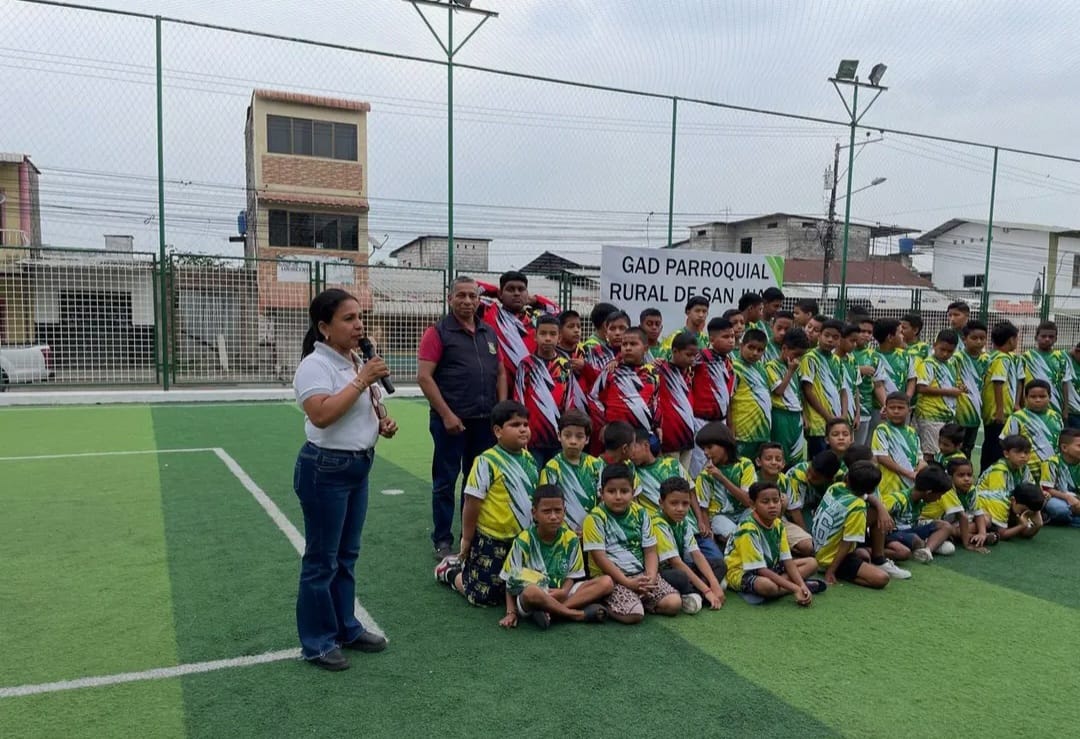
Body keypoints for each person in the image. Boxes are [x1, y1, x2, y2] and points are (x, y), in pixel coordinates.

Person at [292, 289, 398, 670]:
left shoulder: (355, 360)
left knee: (346, 556)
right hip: (325, 470)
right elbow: (321, 415)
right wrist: (361, 380)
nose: (359, 325)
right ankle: (318, 642)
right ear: (324, 327)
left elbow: (363, 405)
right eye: (349, 319)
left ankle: (346, 627)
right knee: (322, 560)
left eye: (360, 317)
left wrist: (381, 420)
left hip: (357, 467)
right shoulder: (314, 366)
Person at [418, 276, 507, 560]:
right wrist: (447, 414)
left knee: (477, 483)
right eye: (461, 296)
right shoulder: (437, 333)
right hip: (451, 422)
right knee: (445, 481)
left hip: (484, 422)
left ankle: (471, 537)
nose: (467, 301)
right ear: (450, 299)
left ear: (479, 300)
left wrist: (501, 409)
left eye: (472, 296)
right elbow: (424, 377)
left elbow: (500, 372)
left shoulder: (488, 332)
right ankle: (442, 540)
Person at [435, 400, 539, 607]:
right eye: (515, 425)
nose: (523, 429)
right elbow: (471, 503)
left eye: (525, 425)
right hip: (492, 539)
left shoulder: (530, 460)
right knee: (482, 597)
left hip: (522, 539)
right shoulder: (486, 461)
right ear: (498, 431)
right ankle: (451, 573)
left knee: (521, 585)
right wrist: (467, 538)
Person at [497, 485, 612, 629]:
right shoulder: (523, 541)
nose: (553, 517)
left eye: (558, 511)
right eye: (546, 511)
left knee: (606, 582)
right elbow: (509, 581)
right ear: (534, 513)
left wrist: (564, 591)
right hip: (534, 597)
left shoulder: (571, 539)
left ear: (564, 511)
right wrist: (511, 612)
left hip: (561, 593)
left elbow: (572, 576)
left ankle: (552, 613)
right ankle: (576, 614)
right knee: (532, 592)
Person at [583, 464, 682, 623]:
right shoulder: (594, 518)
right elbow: (600, 558)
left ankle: (640, 601)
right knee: (634, 615)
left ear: (633, 491)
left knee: (674, 604)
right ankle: (604, 603)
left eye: (624, 491)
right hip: (613, 579)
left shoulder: (641, 513)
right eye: (611, 491)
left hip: (640, 575)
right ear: (601, 492)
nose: (618, 497)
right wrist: (627, 582)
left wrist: (650, 578)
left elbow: (650, 551)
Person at [724, 481, 823, 605]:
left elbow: (787, 560)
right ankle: (786, 588)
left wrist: (801, 585)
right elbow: (760, 570)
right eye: (765, 502)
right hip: (742, 571)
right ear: (753, 504)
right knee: (767, 586)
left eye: (776, 501)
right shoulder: (748, 529)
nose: (772, 506)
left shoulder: (778, 524)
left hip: (770, 566)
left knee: (812, 563)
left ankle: (784, 588)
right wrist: (795, 588)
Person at [811, 461, 892, 589]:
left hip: (816, 548)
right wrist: (831, 571)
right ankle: (845, 570)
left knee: (864, 553)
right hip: (829, 559)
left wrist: (880, 508)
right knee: (882, 578)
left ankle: (874, 558)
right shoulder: (857, 507)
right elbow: (846, 542)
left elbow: (866, 497)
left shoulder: (836, 487)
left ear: (847, 477)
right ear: (872, 489)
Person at [654, 477, 726, 612]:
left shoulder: (684, 521)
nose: (680, 509)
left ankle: (694, 594)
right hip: (663, 572)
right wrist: (707, 590)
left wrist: (714, 584)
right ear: (661, 503)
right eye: (674, 503)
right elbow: (675, 562)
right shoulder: (658, 523)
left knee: (719, 564)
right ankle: (698, 593)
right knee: (679, 576)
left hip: (682, 566)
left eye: (685, 503)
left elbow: (696, 554)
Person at [514, 314, 577, 466]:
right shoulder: (526, 365)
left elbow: (570, 401)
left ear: (559, 337)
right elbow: (518, 400)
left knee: (556, 477)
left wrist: (567, 432)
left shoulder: (565, 366)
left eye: (552, 334)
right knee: (533, 476)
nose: (547, 338)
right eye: (543, 334)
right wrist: (522, 431)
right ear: (535, 336)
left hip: (558, 437)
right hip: (533, 438)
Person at [538, 409, 605, 535]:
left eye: (579, 436)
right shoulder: (552, 468)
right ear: (559, 436)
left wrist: (592, 528)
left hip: (593, 533)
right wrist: (565, 530)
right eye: (567, 435)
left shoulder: (596, 465)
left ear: (587, 439)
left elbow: (603, 500)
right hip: (562, 534)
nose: (573, 441)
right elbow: (547, 502)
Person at [591, 327, 659, 441]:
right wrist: (603, 424)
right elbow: (593, 397)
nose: (628, 348)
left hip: (643, 434)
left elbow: (657, 401)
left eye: (633, 344)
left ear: (645, 348)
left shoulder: (653, 373)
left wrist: (657, 425)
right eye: (624, 344)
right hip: (616, 434)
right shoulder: (611, 371)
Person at [689, 317, 736, 477]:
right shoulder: (701, 357)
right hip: (700, 421)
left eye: (732, 336)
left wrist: (730, 427)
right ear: (712, 339)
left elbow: (728, 399)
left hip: (721, 422)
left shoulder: (729, 363)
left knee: (718, 465)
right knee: (698, 465)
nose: (731, 340)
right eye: (725, 337)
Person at [971, 435, 1040, 545]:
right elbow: (998, 498)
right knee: (986, 522)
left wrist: (1037, 515)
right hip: (985, 505)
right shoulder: (999, 470)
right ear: (1006, 454)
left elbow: (1030, 490)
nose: (1023, 456)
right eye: (1018, 452)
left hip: (1008, 502)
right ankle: (959, 533)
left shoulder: (1023, 468)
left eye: (1026, 452)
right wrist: (1022, 525)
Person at [694, 421, 755, 541]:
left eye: (710, 447)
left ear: (724, 444)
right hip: (720, 516)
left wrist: (722, 478)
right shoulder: (705, 475)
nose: (705, 453)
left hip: (744, 512)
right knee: (738, 537)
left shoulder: (745, 465)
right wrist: (708, 533)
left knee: (756, 514)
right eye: (703, 449)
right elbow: (704, 509)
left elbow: (749, 501)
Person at [881, 467, 955, 563]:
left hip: (910, 530)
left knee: (946, 526)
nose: (939, 498)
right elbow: (877, 511)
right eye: (939, 495)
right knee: (914, 540)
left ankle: (927, 550)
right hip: (892, 534)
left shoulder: (921, 501)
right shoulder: (898, 499)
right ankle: (931, 544)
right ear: (929, 493)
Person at [913, 329, 963, 462]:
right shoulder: (928, 364)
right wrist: (949, 392)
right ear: (935, 345)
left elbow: (948, 384)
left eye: (950, 351)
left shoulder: (950, 364)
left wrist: (959, 388)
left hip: (945, 415)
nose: (945, 354)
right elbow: (921, 388)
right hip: (930, 415)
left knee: (941, 452)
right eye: (942, 349)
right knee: (930, 453)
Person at [800, 318, 847, 458]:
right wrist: (828, 417)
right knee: (819, 461)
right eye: (827, 335)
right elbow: (807, 390)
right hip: (818, 424)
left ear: (840, 340)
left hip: (836, 422)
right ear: (819, 335)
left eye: (835, 337)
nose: (830, 340)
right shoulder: (810, 358)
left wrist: (843, 416)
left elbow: (843, 390)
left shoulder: (837, 361)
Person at [920, 457, 985, 553]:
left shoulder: (971, 489)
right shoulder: (948, 489)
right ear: (950, 477)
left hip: (950, 521)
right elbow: (962, 516)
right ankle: (967, 538)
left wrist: (982, 533)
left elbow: (979, 513)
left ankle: (970, 537)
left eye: (969, 475)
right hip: (926, 521)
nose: (966, 479)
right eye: (961, 475)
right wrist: (967, 545)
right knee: (950, 537)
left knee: (986, 519)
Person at [981, 320, 1022, 471]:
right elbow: (998, 382)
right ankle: (989, 476)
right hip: (998, 413)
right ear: (1011, 339)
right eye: (1016, 338)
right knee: (995, 448)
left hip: (992, 410)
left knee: (991, 445)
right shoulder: (1002, 358)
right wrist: (999, 410)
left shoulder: (994, 356)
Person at [766, 327, 810, 466]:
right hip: (781, 414)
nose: (798, 359)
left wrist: (803, 414)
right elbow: (779, 390)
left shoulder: (796, 367)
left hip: (796, 414)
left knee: (797, 454)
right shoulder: (771, 366)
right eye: (796, 354)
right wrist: (790, 371)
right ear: (784, 348)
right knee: (782, 452)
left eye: (801, 356)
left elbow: (798, 392)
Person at [655, 330, 699, 468]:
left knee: (685, 476)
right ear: (675, 351)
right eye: (688, 355)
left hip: (688, 434)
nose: (692, 359)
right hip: (670, 436)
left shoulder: (689, 372)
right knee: (671, 474)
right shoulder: (662, 370)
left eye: (694, 355)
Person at [1001, 379, 1062, 476]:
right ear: (1025, 398)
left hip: (1051, 471)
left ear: (1049, 397)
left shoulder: (1056, 417)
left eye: (1042, 396)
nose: (1038, 400)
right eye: (1033, 397)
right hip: (1026, 471)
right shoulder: (1017, 418)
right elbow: (1006, 442)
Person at [873, 392, 927, 501]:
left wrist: (918, 470)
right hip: (889, 488)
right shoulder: (882, 430)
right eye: (892, 408)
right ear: (885, 409)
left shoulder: (912, 432)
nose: (896, 411)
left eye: (900, 408)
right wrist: (909, 474)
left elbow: (921, 459)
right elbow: (882, 458)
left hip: (910, 486)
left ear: (909, 410)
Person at [482, 270, 537, 375]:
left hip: (529, 381)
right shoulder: (490, 312)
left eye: (521, 289)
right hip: (500, 381)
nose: (516, 293)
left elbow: (556, 310)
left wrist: (534, 300)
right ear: (500, 294)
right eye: (510, 289)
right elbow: (471, 288)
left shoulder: (536, 319)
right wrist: (494, 292)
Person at [628, 428, 690, 517]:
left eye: (633, 448)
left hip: (685, 520)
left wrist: (700, 520)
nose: (630, 454)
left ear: (646, 445)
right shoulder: (631, 471)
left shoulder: (672, 464)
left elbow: (691, 491)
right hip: (655, 522)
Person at [730, 327, 771, 460]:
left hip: (763, 432)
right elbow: (728, 401)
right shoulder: (734, 367)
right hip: (743, 433)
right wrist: (731, 430)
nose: (755, 353)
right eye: (751, 347)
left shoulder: (762, 369)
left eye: (760, 350)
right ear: (742, 346)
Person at [1022, 320, 1073, 423]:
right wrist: (1018, 404)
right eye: (1043, 336)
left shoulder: (1061, 358)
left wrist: (1066, 409)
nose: (1047, 339)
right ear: (1036, 337)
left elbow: (1065, 384)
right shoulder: (1027, 357)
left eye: (1051, 337)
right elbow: (1020, 381)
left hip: (1056, 408)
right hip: (1030, 407)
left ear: (1056, 339)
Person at [952, 320, 989, 458]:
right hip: (959, 411)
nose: (979, 342)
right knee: (955, 448)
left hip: (976, 411)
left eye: (982, 338)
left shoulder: (986, 360)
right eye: (974, 338)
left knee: (968, 448)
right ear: (964, 339)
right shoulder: (957, 358)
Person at [784, 449, 842, 525]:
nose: (808, 477)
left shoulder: (839, 478)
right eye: (808, 471)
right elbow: (794, 511)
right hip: (800, 509)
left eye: (815, 478)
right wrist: (805, 532)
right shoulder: (796, 475)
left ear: (829, 479)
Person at [1038, 427, 1080, 527]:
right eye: (1079, 446)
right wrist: (1068, 497)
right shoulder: (1051, 463)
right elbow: (1047, 489)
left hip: (1077, 499)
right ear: (1064, 448)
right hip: (1058, 499)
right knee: (1059, 509)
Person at [852, 315, 878, 446]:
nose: (866, 335)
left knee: (861, 449)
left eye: (869, 332)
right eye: (862, 331)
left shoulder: (874, 355)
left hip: (866, 409)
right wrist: (859, 370)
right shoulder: (842, 352)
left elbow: (878, 384)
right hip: (844, 410)